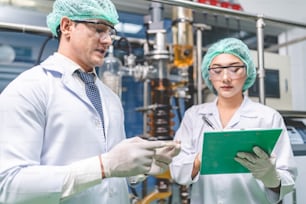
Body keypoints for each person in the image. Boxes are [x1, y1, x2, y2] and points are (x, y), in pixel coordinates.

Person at [0, 0, 180, 203]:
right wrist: (104, 166)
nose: (108, 40)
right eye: (99, 29)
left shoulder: (110, 98)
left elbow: (112, 173)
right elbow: (10, 186)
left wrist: (141, 166)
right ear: (67, 26)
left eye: (110, 32)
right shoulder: (28, 89)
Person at [169, 37, 297, 204]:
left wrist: (271, 176)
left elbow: (288, 177)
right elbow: (177, 168)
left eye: (234, 69)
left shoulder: (268, 117)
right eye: (217, 70)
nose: (225, 78)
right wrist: (200, 159)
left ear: (248, 72)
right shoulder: (194, 116)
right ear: (209, 74)